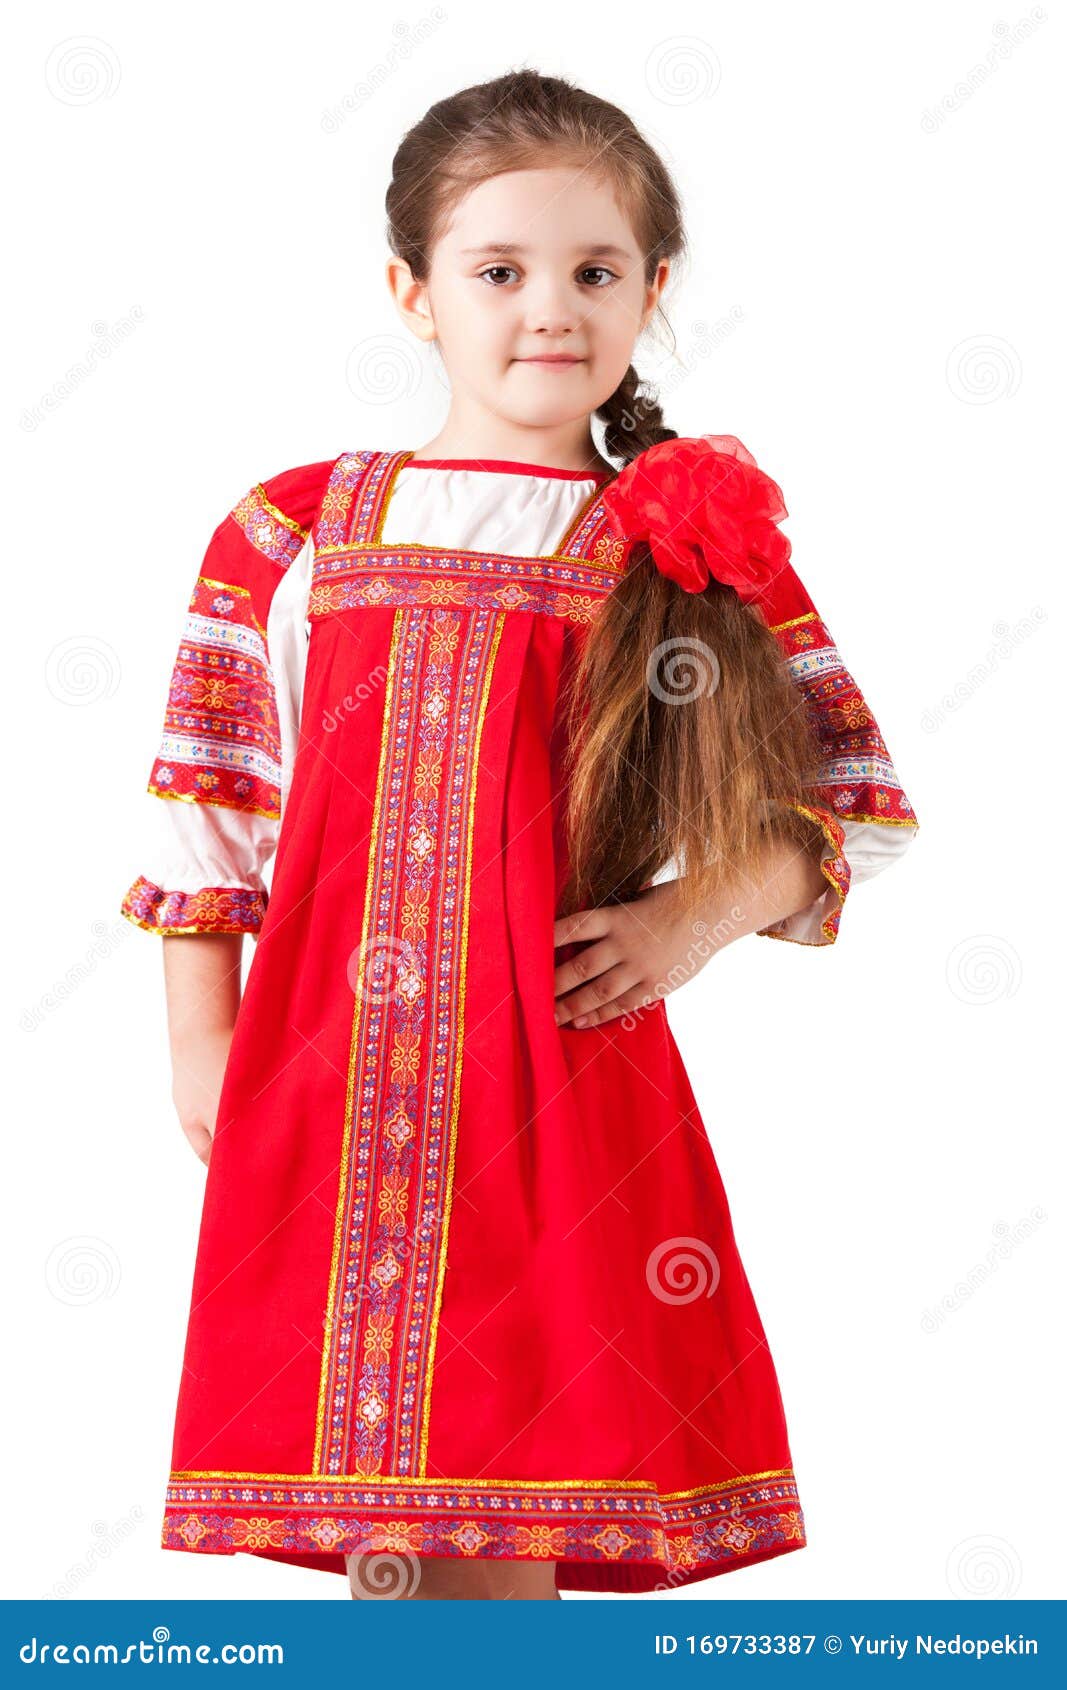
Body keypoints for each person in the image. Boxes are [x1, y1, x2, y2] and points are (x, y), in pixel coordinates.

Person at [121, 69, 919, 1602]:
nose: (549, 308)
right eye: (499, 271)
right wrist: (202, 1044)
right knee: (396, 1545)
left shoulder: (679, 542)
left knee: (503, 1515)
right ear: (411, 292)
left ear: (653, 290)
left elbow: (855, 805)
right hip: (332, 1080)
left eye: (594, 271)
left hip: (561, 1085)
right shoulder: (293, 529)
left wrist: (691, 916)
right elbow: (211, 802)